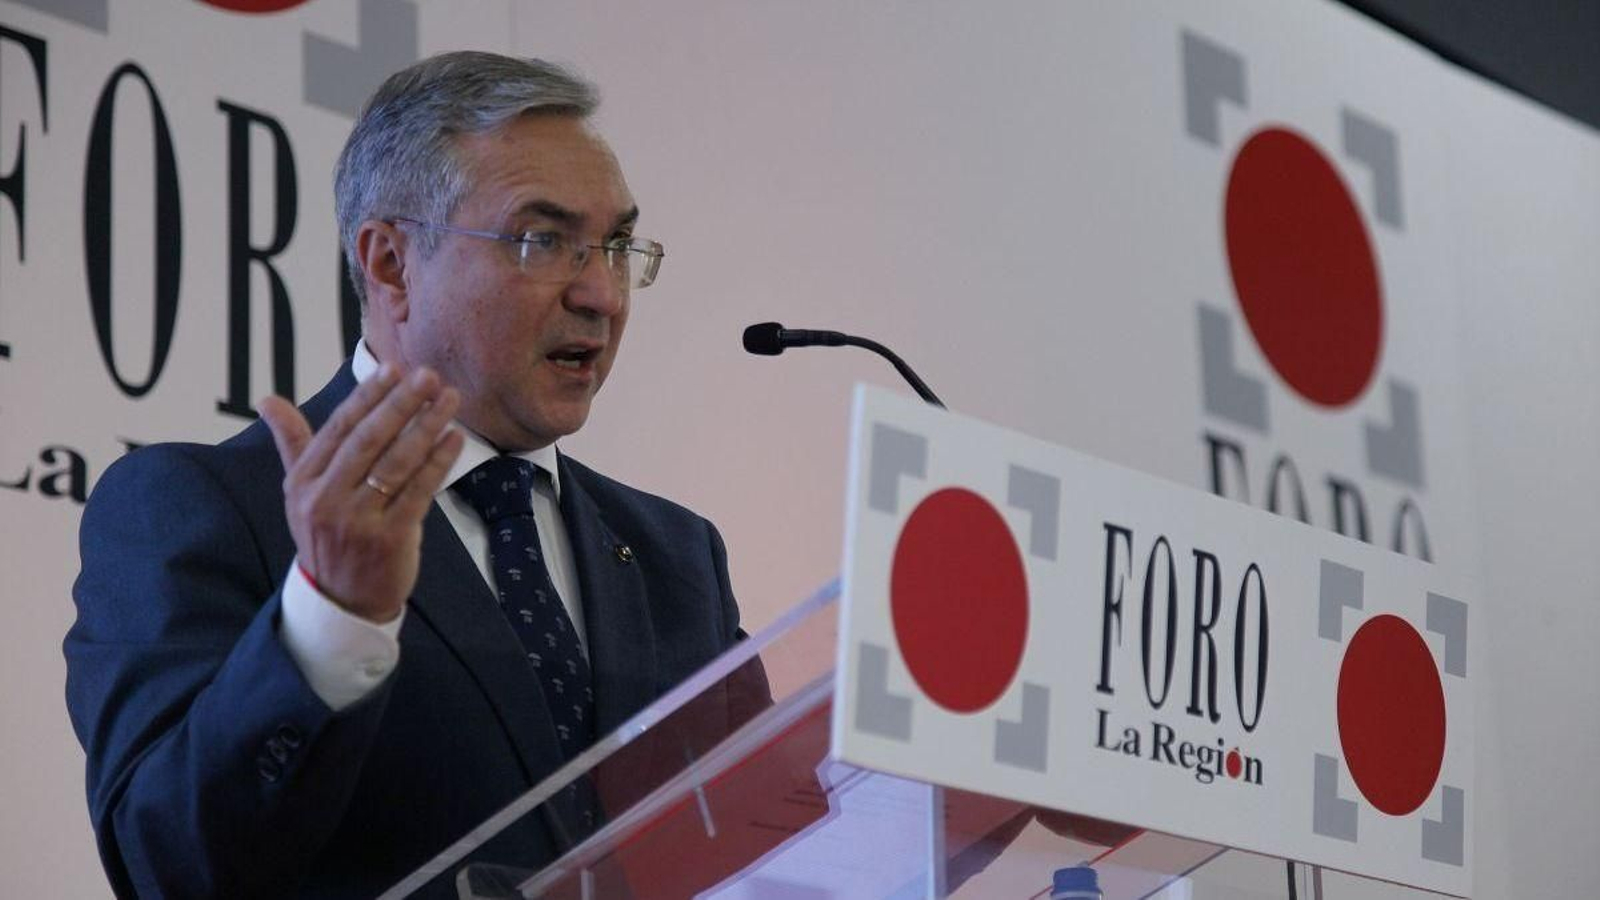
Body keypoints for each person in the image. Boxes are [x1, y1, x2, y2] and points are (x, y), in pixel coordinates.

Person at [64, 51, 761, 899]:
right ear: (392, 262)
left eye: (614, 245)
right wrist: (331, 616)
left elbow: (770, 844)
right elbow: (168, 863)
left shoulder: (677, 556)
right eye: (544, 240)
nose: (603, 296)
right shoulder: (203, 509)